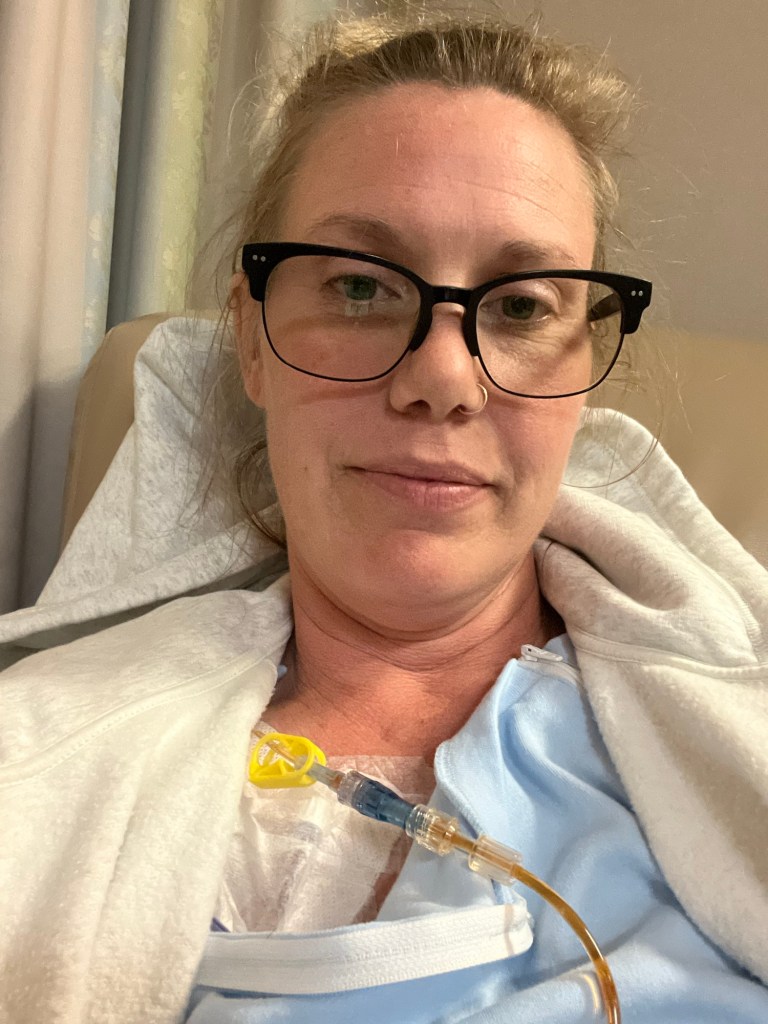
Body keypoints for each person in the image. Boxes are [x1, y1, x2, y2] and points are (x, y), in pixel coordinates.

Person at [1, 8, 767, 1024]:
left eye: (522, 305)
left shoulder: (728, 748)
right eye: (361, 287)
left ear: (584, 362)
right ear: (252, 341)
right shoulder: (40, 758)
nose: (443, 378)